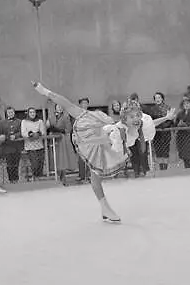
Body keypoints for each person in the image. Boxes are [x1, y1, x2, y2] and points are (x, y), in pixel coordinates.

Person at [31, 81, 175, 223]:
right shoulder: (117, 132)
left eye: (138, 115)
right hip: (98, 136)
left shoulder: (141, 123)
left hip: (105, 137)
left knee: (96, 174)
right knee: (72, 109)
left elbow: (150, 125)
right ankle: (105, 207)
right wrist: (83, 142)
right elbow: (101, 140)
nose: (137, 119)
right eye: (132, 117)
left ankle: (104, 208)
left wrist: (166, 118)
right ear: (125, 118)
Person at [46, 103, 78, 185]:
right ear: (55, 108)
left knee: (63, 159)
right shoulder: (51, 117)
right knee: (55, 158)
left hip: (63, 140)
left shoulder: (66, 117)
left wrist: (57, 130)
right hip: (53, 140)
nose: (59, 108)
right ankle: (58, 176)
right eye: (58, 107)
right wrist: (50, 129)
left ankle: (63, 177)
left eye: (61, 107)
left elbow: (68, 129)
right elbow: (47, 127)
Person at [0, 107, 24, 184]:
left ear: (14, 112)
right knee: (9, 164)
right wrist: (8, 137)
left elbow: (22, 131)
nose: (11, 113)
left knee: (16, 164)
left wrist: (15, 136)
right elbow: (1, 133)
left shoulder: (19, 121)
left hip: (17, 146)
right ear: (6, 113)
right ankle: (11, 180)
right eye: (9, 112)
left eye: (12, 112)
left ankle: (16, 180)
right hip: (7, 146)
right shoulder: (2, 122)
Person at [150, 92, 174, 171]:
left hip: (166, 132)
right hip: (157, 133)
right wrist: (159, 126)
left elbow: (171, 120)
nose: (158, 99)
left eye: (159, 97)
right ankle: (161, 169)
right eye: (156, 98)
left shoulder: (168, 107)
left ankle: (165, 169)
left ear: (162, 98)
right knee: (158, 151)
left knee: (165, 151)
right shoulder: (152, 109)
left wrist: (164, 126)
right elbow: (152, 121)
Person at [21, 107, 46, 180]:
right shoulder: (24, 121)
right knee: (34, 163)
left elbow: (43, 131)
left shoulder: (40, 121)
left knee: (40, 162)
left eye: (34, 112)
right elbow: (23, 133)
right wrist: (31, 134)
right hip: (30, 146)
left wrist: (37, 134)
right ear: (28, 113)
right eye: (31, 112)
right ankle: (34, 177)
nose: (32, 114)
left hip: (39, 145)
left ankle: (39, 177)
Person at [76, 97, 91, 182]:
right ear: (80, 105)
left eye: (86, 103)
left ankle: (89, 175)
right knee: (81, 158)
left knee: (90, 158)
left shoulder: (90, 114)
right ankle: (81, 175)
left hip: (89, 138)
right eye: (82, 103)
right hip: (80, 138)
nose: (84, 105)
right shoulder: (77, 114)